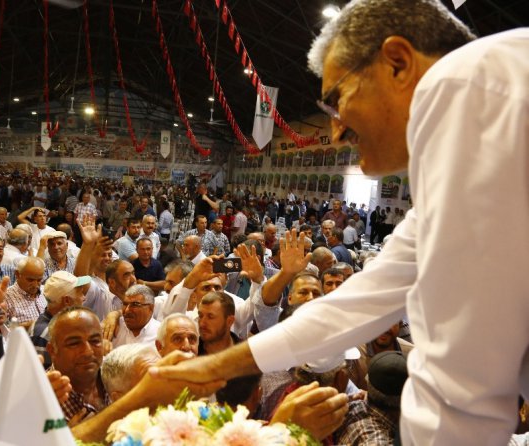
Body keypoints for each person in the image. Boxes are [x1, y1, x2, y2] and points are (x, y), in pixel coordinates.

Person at [151, 2, 528, 444]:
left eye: (335, 102)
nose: (334, 133)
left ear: (399, 63)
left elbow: (461, 391)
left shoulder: (464, 89)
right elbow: (359, 303)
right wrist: (210, 367)